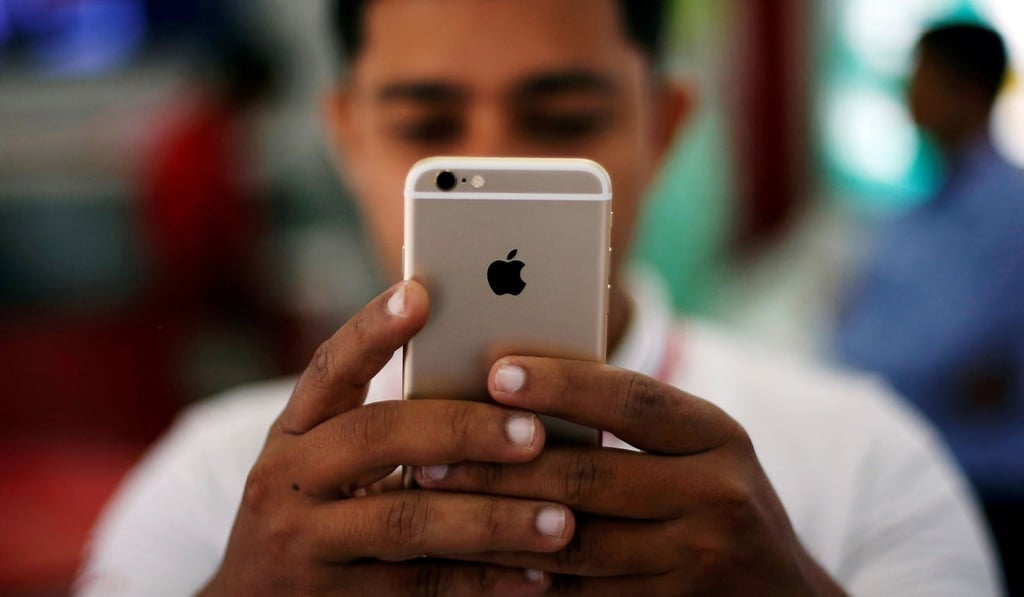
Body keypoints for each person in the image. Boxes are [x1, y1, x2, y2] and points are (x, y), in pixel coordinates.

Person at [77, 2, 1000, 595]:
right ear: (346, 137)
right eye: (427, 127)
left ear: (666, 128)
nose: (497, 165)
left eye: (563, 121)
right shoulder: (215, 485)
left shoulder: (868, 459)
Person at [834, 22, 1024, 595]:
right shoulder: (914, 212)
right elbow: (847, 334)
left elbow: (951, 354)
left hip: (989, 491)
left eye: (921, 78)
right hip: (913, 472)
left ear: (967, 91)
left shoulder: (1010, 213)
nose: (907, 94)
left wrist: (872, 363)